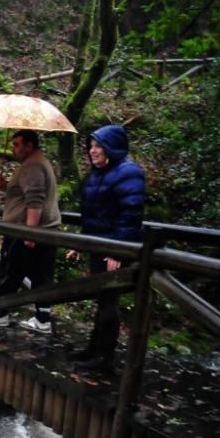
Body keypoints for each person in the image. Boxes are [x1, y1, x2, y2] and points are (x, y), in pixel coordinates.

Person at [68, 124, 146, 373]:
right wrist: (81, 243)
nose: (92, 151)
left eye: (97, 146)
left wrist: (118, 251)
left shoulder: (128, 172)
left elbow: (130, 216)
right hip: (98, 246)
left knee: (109, 301)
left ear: (112, 147)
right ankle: (94, 349)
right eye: (90, 146)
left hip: (114, 250)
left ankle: (104, 358)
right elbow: (93, 215)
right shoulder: (98, 173)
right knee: (102, 300)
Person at [0, 129, 61, 333]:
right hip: (44, 230)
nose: (14, 149)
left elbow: (35, 199)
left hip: (26, 230)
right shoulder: (37, 163)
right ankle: (41, 319)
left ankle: (1, 315)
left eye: (17, 145)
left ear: (29, 146)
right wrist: (7, 186)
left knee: (10, 272)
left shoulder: (32, 166)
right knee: (39, 275)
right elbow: (26, 193)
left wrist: (30, 232)